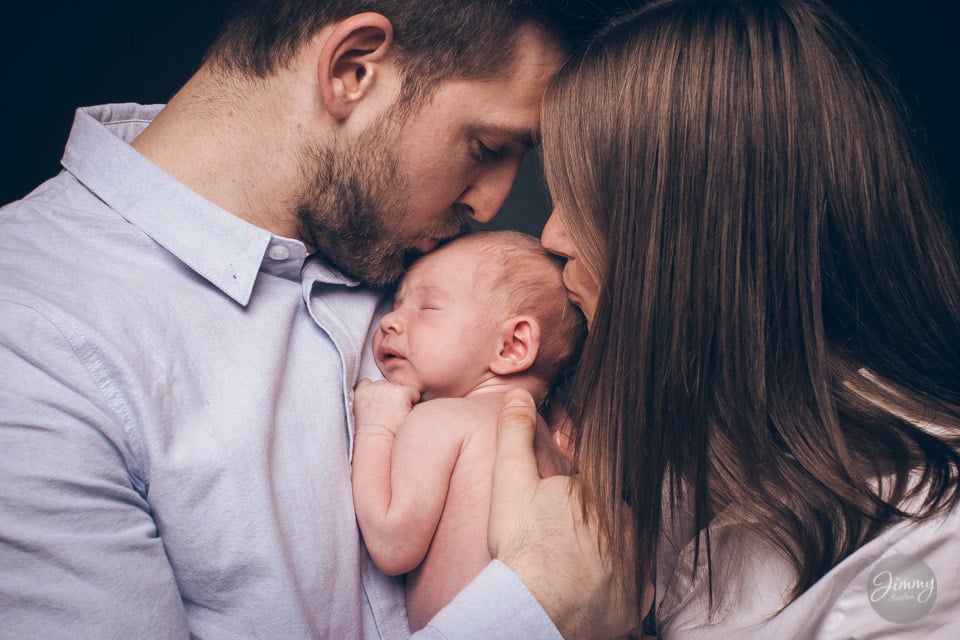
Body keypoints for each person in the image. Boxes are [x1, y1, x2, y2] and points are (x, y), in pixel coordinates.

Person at [0, 2, 636, 638]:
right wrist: (538, 610)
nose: (491, 202)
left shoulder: (411, 252)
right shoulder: (33, 337)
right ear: (353, 69)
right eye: (485, 147)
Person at [505, 0, 960, 637]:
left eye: (590, 201)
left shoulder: (932, 559)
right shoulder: (666, 455)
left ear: (698, 240)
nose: (552, 234)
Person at [351, 230, 585, 631]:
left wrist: (376, 425)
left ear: (512, 345)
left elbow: (391, 544)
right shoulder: (554, 444)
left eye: (427, 307)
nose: (390, 320)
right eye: (396, 303)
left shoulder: (444, 419)